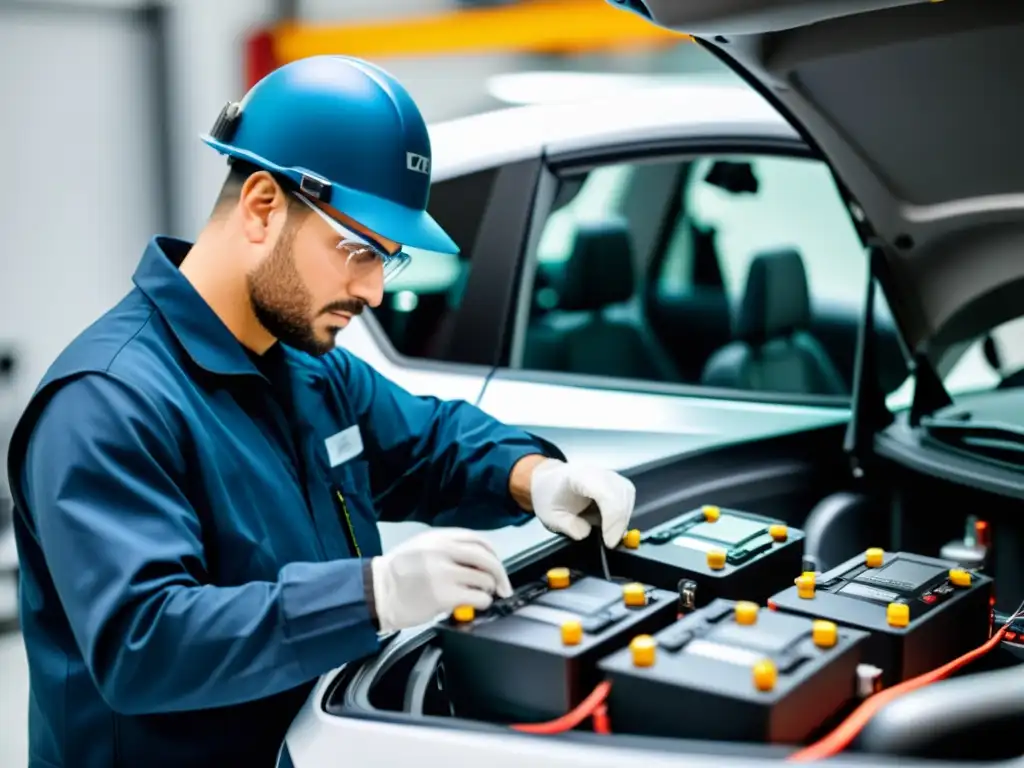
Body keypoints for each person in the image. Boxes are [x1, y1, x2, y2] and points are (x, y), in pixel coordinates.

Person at [5, 55, 636, 768]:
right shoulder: (107, 403)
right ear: (263, 205)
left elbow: (429, 443)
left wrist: (535, 477)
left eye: (387, 260)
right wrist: (371, 595)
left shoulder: (304, 367)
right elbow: (145, 641)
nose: (372, 291)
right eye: (358, 249)